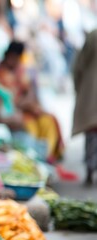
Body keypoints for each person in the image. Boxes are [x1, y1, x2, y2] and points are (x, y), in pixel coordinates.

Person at [0, 41, 64, 163]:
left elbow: (29, 91)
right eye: (12, 57)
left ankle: (49, 156)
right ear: (7, 55)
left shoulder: (21, 71)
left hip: (26, 109)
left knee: (49, 120)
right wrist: (23, 104)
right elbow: (4, 100)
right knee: (32, 129)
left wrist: (31, 105)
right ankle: (38, 157)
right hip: (14, 112)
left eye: (16, 58)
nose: (14, 61)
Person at [72, 29, 97, 185]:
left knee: (92, 130)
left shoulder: (94, 35)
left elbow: (79, 65)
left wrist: (78, 86)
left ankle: (90, 168)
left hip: (91, 89)